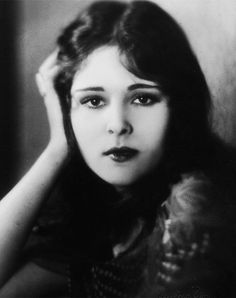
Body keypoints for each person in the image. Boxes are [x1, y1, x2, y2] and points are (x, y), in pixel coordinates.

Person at [0, 0, 236, 297]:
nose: (118, 125)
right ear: (66, 110)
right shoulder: (101, 206)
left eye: (143, 99)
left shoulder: (196, 203)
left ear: (180, 105)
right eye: (93, 101)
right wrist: (58, 148)